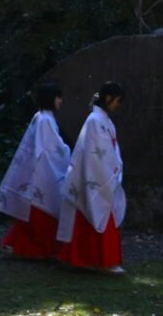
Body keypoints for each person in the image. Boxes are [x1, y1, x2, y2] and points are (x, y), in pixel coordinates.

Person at [0, 82, 72, 259]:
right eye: (58, 97)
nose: (61, 101)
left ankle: (21, 245)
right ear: (51, 99)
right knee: (43, 213)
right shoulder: (45, 120)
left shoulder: (42, 117)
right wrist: (68, 151)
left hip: (38, 171)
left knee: (33, 216)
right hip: (43, 172)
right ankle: (38, 249)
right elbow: (51, 148)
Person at [56, 81, 126, 274]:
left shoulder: (102, 120)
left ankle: (92, 258)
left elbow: (108, 150)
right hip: (96, 174)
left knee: (97, 212)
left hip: (102, 173)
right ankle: (97, 259)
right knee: (97, 212)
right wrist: (110, 169)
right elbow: (96, 154)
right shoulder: (95, 120)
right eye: (117, 101)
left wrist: (114, 167)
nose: (117, 106)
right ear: (109, 98)